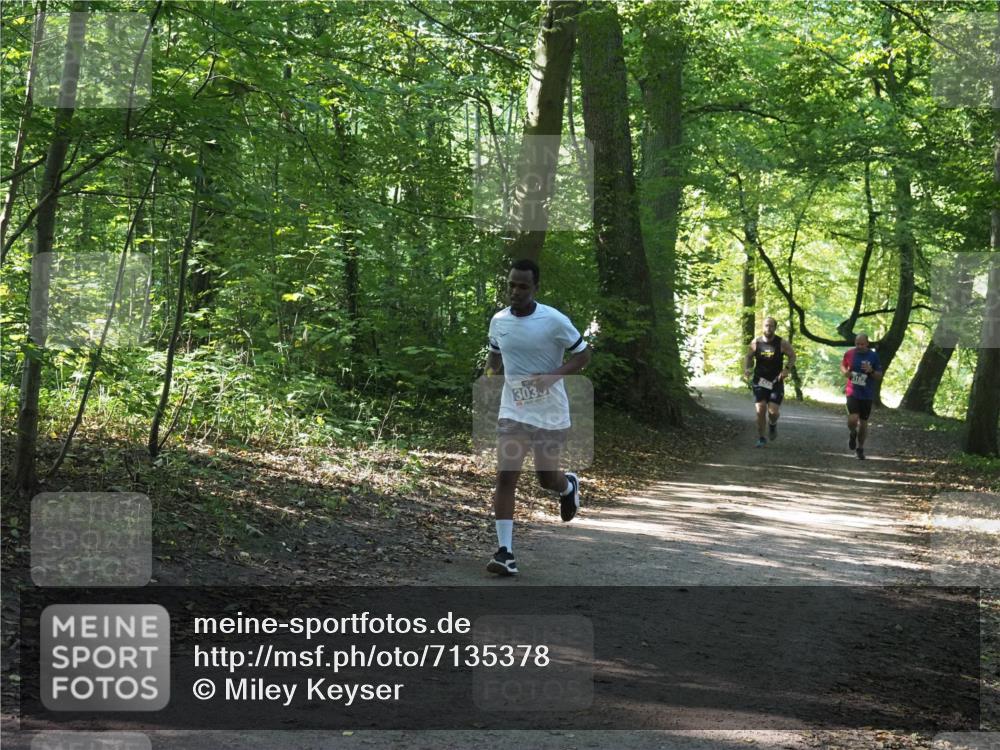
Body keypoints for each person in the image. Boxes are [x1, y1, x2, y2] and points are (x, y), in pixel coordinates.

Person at [484, 259, 591, 576]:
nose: (515, 292)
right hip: (513, 410)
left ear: (535, 288)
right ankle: (506, 552)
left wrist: (553, 376)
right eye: (511, 285)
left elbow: (584, 354)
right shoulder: (499, 320)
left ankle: (567, 486)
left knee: (547, 478)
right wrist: (490, 379)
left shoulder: (554, 321)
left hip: (550, 412)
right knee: (506, 476)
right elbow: (495, 356)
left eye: (523, 286)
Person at [743, 317, 795, 448]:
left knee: (773, 412)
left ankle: (772, 425)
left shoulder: (781, 343)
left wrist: (786, 369)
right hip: (759, 380)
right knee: (760, 409)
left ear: (775, 327)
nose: (768, 328)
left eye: (771, 326)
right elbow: (749, 357)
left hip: (775, 382)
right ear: (762, 327)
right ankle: (761, 437)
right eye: (766, 325)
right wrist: (747, 369)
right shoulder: (756, 342)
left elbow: (792, 356)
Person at [840, 333, 883, 460]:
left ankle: (860, 448)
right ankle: (853, 433)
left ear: (867, 343)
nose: (859, 346)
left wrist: (871, 371)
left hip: (867, 394)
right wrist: (846, 373)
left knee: (863, 423)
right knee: (853, 419)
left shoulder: (873, 356)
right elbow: (842, 366)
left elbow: (879, 376)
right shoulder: (850, 353)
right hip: (852, 391)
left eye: (862, 344)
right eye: (857, 344)